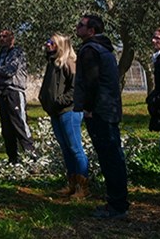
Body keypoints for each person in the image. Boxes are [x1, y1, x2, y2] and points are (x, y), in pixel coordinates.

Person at [74, 14, 129, 219]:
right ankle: (118, 201)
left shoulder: (90, 50)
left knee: (110, 158)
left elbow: (91, 83)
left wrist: (88, 108)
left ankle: (116, 206)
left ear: (92, 31)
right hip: (110, 109)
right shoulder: (105, 48)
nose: (77, 28)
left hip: (99, 111)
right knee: (114, 156)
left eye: (81, 25)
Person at [39, 33, 89, 198]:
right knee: (66, 149)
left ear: (60, 45)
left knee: (75, 149)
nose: (47, 44)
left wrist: (60, 101)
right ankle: (72, 184)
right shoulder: (52, 63)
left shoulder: (69, 62)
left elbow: (76, 88)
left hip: (69, 112)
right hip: (55, 112)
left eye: (51, 42)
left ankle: (83, 187)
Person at [0, 29, 35, 163]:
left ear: (12, 38)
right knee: (6, 128)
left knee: (20, 124)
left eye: (5, 36)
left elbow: (9, 71)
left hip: (14, 92)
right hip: (2, 92)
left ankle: (31, 157)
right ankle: (13, 159)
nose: (2, 38)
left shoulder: (17, 52)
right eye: (0, 36)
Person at [148, 28, 160, 153]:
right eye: (153, 37)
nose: (153, 41)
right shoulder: (158, 59)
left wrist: (155, 99)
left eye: (158, 38)